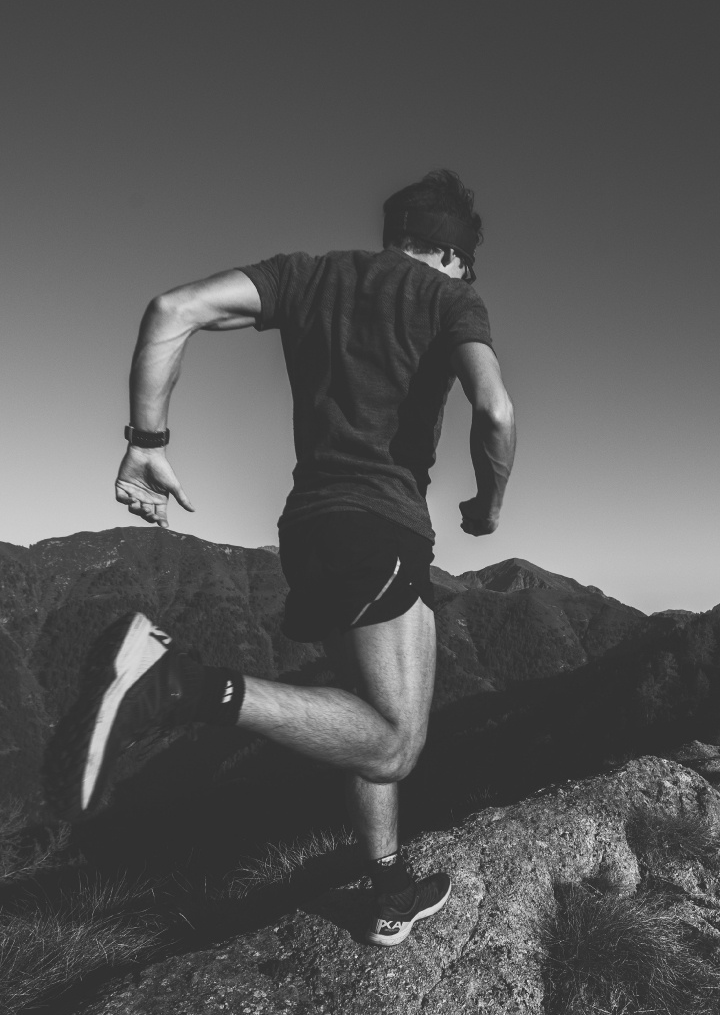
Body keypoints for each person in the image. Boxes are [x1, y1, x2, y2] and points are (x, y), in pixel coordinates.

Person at [50, 170, 516, 946]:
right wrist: (487, 507)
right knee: (397, 741)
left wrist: (146, 442)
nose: (468, 276)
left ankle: (387, 887)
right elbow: (495, 410)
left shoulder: (310, 277)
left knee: (364, 723)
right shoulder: (448, 299)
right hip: (383, 527)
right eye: (468, 263)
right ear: (449, 252)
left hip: (308, 529)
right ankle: (183, 685)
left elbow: (174, 309)